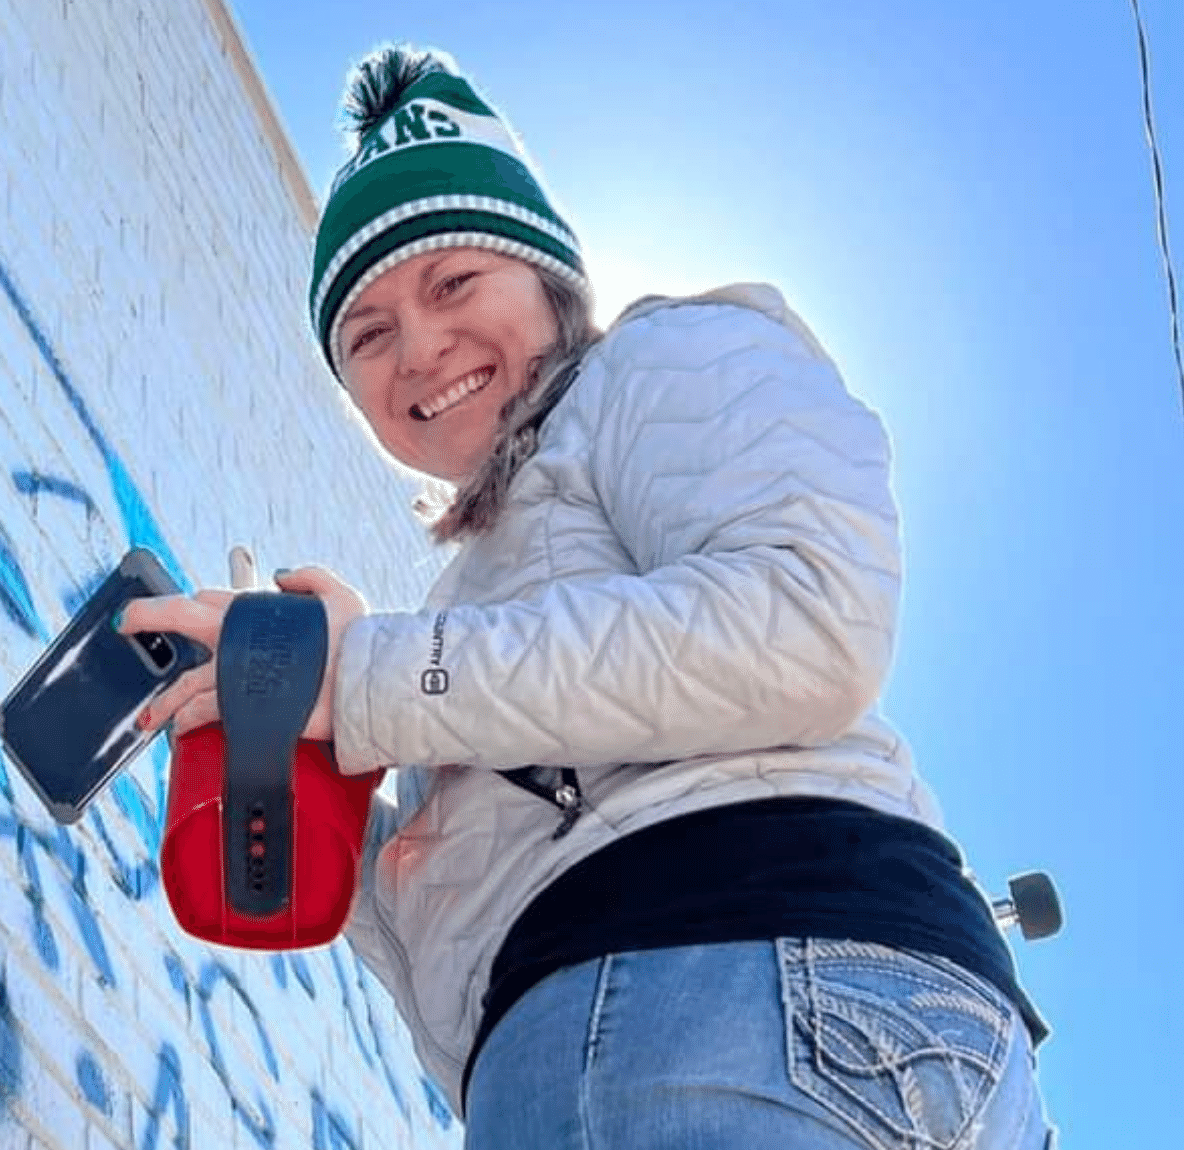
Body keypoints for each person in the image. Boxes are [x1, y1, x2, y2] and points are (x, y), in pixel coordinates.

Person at [119, 45, 1055, 1149]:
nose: (419, 348)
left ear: (549, 279)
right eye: (366, 333)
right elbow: (499, 900)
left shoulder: (658, 358)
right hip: (767, 1023)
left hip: (717, 984)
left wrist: (365, 674)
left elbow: (806, 618)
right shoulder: (488, 590)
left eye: (453, 282)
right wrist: (300, 747)